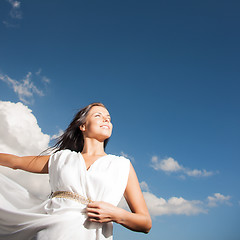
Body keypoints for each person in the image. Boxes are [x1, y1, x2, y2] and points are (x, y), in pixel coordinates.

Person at [0, 102, 151, 240]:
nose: (106, 120)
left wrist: (117, 214)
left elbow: (145, 223)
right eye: (98, 115)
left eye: (109, 118)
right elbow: (16, 162)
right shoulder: (61, 158)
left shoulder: (122, 165)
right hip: (50, 232)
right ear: (83, 126)